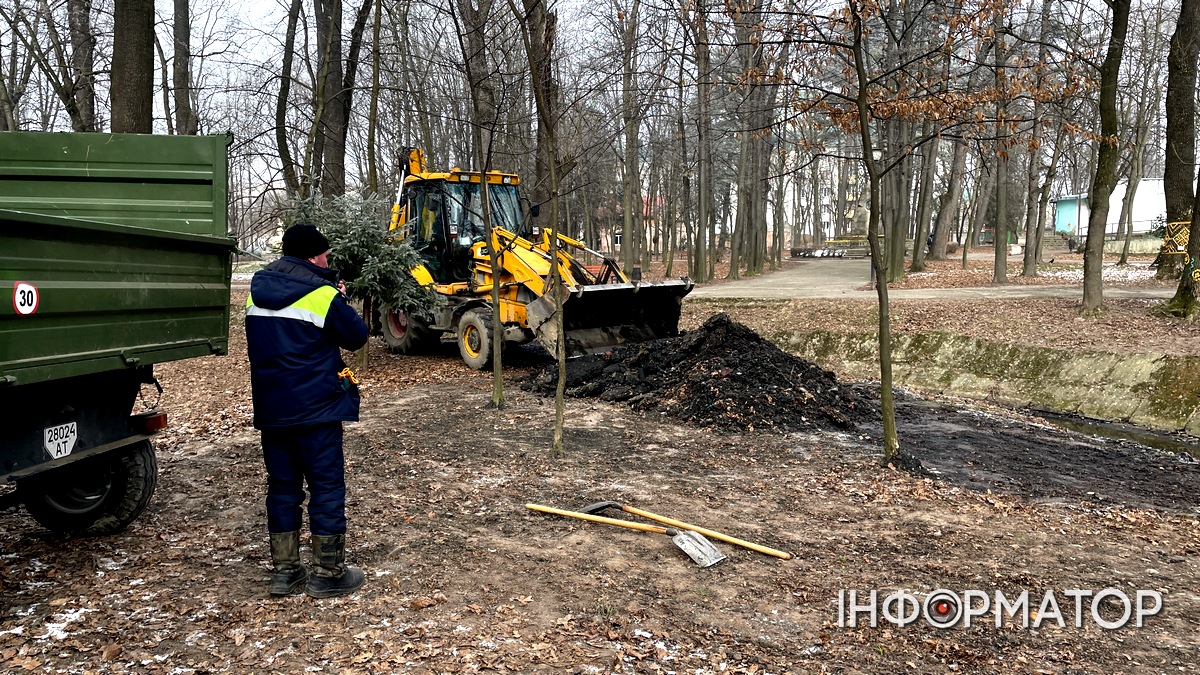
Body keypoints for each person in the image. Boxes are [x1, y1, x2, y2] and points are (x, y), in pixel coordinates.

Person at [245, 223, 370, 598]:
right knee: (326, 486)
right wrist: (338, 299)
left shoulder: (256, 294)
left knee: (283, 489)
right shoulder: (322, 295)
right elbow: (357, 336)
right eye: (325, 254)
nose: (328, 258)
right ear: (313, 255)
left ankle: (285, 572)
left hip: (273, 408)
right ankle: (328, 572)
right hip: (316, 409)